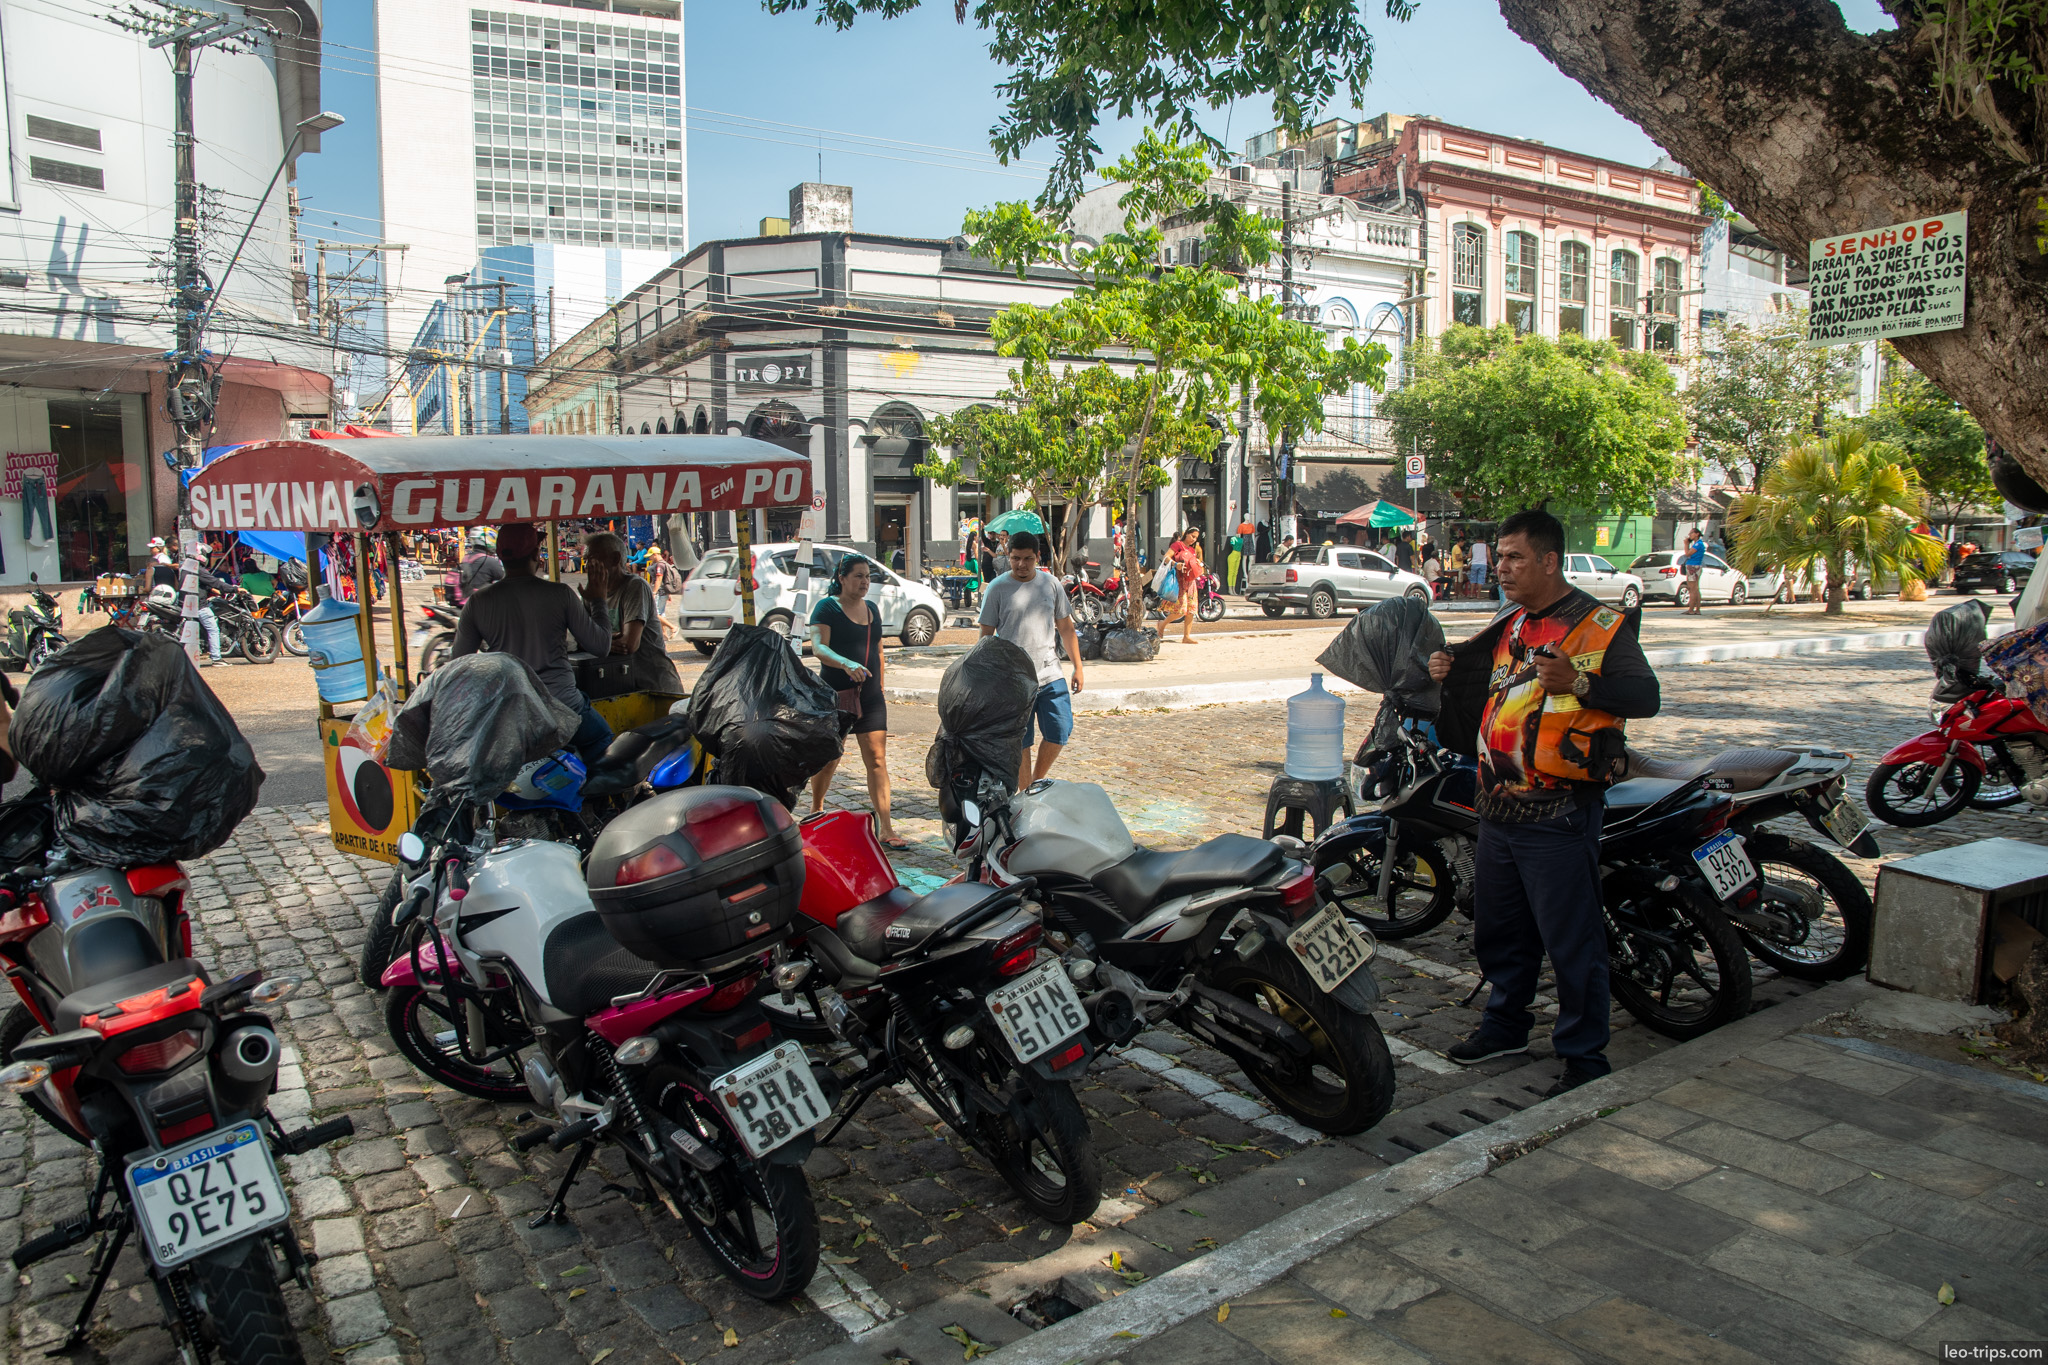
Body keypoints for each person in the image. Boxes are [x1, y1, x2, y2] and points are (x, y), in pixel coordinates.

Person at [1426, 507, 1661, 1096]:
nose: (1499, 568)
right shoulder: (1513, 625)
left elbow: (1645, 696)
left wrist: (1579, 683)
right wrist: (1445, 670)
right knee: (1501, 933)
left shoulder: (1599, 626)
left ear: (1549, 561)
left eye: (1514, 558)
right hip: (1499, 811)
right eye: (1499, 556)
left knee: (1572, 940)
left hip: (1557, 814)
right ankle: (1505, 1025)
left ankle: (1584, 1055)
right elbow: (1485, 692)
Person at [450, 521, 616, 764]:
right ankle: (596, 797)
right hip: (563, 707)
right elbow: (601, 646)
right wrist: (599, 601)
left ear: (500, 558)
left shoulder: (478, 602)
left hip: (512, 711)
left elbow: (460, 665)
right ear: (537, 556)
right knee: (601, 738)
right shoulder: (560, 594)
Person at [807, 556, 906, 848]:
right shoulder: (827, 607)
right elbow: (818, 647)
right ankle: (816, 808)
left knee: (877, 759)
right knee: (830, 758)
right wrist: (844, 663)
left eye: (867, 577)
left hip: (871, 696)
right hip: (837, 695)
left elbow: (878, 650)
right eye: (858, 576)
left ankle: (886, 827)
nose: (864, 582)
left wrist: (881, 686)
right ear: (842, 577)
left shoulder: (872, 609)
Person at [979, 530, 1084, 789]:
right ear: (1007, 555)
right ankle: (1025, 795)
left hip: (1050, 674)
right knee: (1021, 741)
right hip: (1013, 681)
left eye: (1027, 559)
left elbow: (1066, 628)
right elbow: (985, 638)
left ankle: (1037, 780)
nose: (1021, 565)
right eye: (1015, 558)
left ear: (1038, 557)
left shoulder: (1050, 584)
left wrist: (1078, 667)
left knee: (1060, 731)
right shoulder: (997, 588)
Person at [582, 531, 682, 694]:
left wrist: (595, 641)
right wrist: (595, 641)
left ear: (614, 559)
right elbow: (579, 639)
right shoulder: (592, 593)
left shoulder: (634, 586)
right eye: (586, 560)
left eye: (592, 559)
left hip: (654, 687)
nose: (587, 566)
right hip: (620, 686)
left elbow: (628, 644)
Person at [1159, 527, 1205, 644]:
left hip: (1190, 583)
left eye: (1196, 538)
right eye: (1192, 536)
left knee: (1191, 610)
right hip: (1179, 582)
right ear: (1187, 534)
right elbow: (1166, 557)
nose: (1194, 539)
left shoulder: (1192, 550)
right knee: (1179, 611)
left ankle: (1186, 636)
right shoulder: (1177, 545)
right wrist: (1176, 564)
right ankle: (1162, 624)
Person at [646, 545, 683, 624]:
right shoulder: (659, 563)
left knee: (655, 613)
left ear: (655, 554)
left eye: (651, 556)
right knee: (661, 613)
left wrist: (654, 593)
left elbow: (659, 580)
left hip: (660, 592)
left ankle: (672, 627)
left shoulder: (660, 565)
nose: (649, 558)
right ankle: (664, 634)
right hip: (663, 591)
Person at [1681, 528, 1707, 615]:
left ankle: (1691, 609)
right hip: (1696, 565)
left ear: (1697, 534)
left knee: (1692, 588)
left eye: (1691, 533)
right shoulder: (1698, 544)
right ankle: (1697, 609)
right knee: (1696, 588)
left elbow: (1687, 553)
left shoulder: (1698, 544)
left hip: (1693, 566)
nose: (1690, 535)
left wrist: (1686, 544)